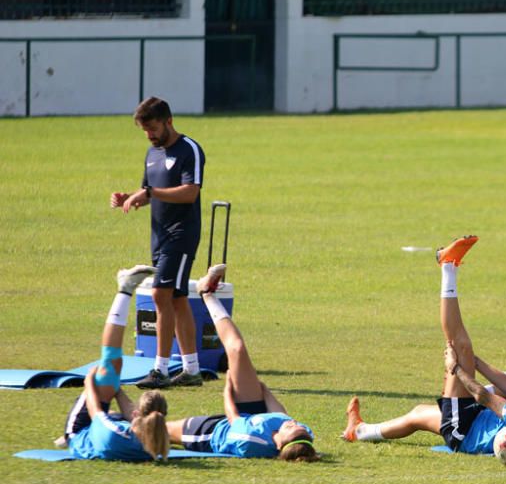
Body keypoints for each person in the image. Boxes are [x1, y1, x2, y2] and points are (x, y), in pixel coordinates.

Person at [342, 235, 506, 454]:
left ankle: (448, 265)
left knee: (459, 345)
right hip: (479, 420)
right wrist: (475, 362)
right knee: (418, 414)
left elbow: (482, 395)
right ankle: (359, 431)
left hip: (465, 431)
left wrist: (456, 367)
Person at [166, 265, 318, 461]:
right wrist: (263, 389)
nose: (295, 423)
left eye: (292, 428)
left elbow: (233, 417)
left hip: (214, 431)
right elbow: (281, 414)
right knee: (237, 348)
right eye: (298, 425)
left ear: (279, 444)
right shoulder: (303, 434)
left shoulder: (250, 440)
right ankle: (207, 292)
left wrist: (228, 389)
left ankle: (126, 424)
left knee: (161, 431)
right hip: (255, 414)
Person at [110, 96, 206, 389]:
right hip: (159, 235)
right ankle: (191, 370)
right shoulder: (152, 153)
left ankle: (160, 370)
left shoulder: (189, 149)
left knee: (160, 296)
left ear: (169, 121)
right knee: (176, 299)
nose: (149, 135)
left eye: (152, 128)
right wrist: (130, 198)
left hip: (182, 233)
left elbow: (190, 192)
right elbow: (149, 190)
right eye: (145, 131)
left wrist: (150, 194)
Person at [56, 264, 171, 461]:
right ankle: (125, 289)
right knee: (112, 374)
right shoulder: (153, 439)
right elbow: (131, 414)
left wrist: (89, 382)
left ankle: (125, 289)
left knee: (109, 367)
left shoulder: (115, 433)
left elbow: (95, 410)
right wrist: (115, 388)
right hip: (106, 428)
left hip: (78, 432)